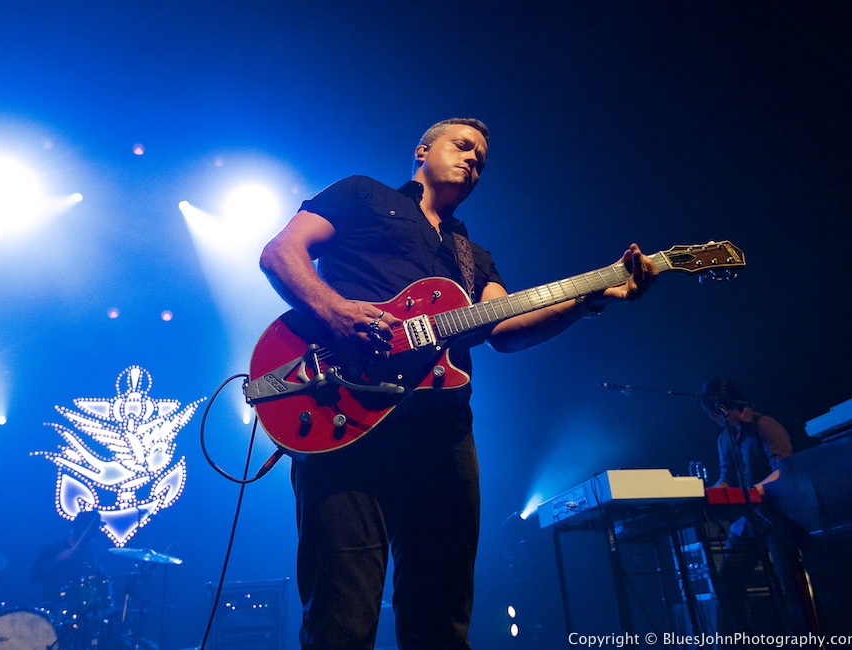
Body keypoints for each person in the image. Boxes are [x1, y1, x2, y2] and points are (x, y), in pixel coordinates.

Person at [259, 117, 657, 649]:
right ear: (422, 150)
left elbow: (505, 330)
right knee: (341, 618)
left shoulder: (472, 256)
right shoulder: (362, 195)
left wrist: (595, 294)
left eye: (482, 160)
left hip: (442, 434)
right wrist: (334, 312)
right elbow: (280, 253)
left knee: (441, 618)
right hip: (345, 415)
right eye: (463, 146)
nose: (473, 161)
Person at [696, 379, 815, 638]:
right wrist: (708, 493)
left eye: (713, 414)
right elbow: (727, 475)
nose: (713, 419)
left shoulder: (764, 425)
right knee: (728, 581)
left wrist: (752, 492)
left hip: (780, 515)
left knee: (790, 586)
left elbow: (783, 470)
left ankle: (807, 640)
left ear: (721, 408)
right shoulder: (723, 438)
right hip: (750, 518)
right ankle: (743, 640)